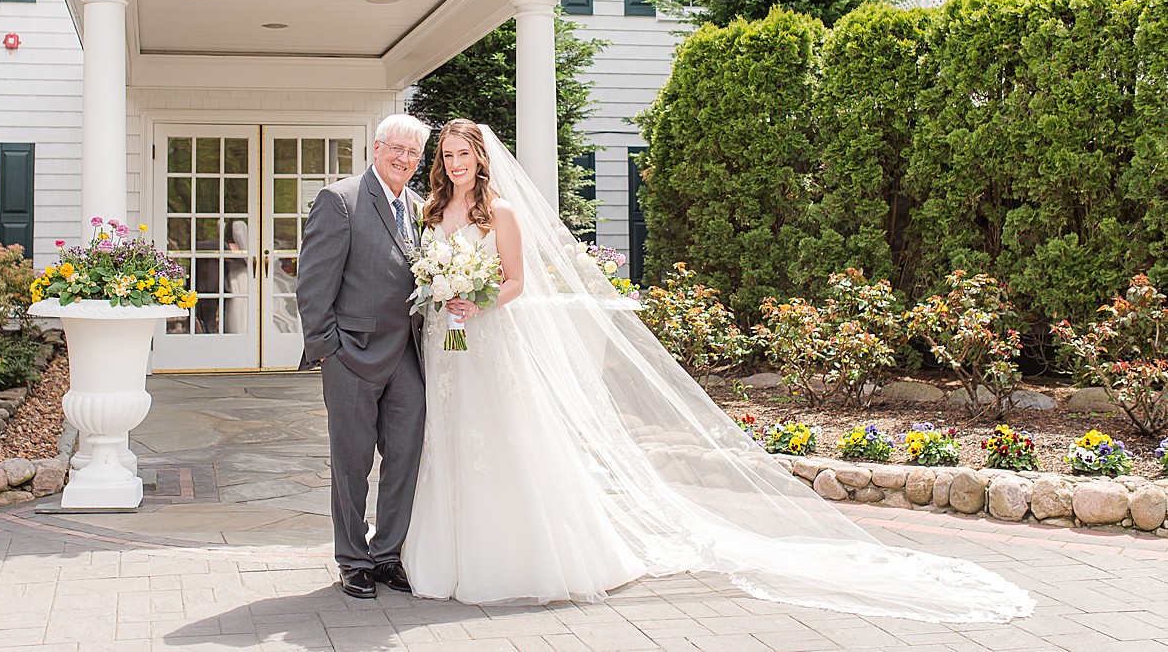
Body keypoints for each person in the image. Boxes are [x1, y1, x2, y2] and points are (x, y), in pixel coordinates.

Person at [402, 118, 1035, 622]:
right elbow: (426, 273)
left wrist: (477, 298)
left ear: (482, 159)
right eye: (449, 157)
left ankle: (513, 559)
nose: (456, 166)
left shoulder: (501, 215)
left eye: (465, 155)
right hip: (447, 346)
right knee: (449, 441)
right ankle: (442, 558)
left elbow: (515, 284)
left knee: (501, 441)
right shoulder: (432, 214)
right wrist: (441, 294)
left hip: (490, 344)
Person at [298, 113, 431, 600]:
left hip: (406, 358)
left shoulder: (419, 209)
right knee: (351, 464)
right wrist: (329, 349)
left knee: (405, 457)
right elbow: (313, 285)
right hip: (351, 353)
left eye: (413, 153)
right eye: (396, 148)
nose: (404, 158)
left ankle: (387, 554)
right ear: (376, 148)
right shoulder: (342, 199)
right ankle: (352, 558)